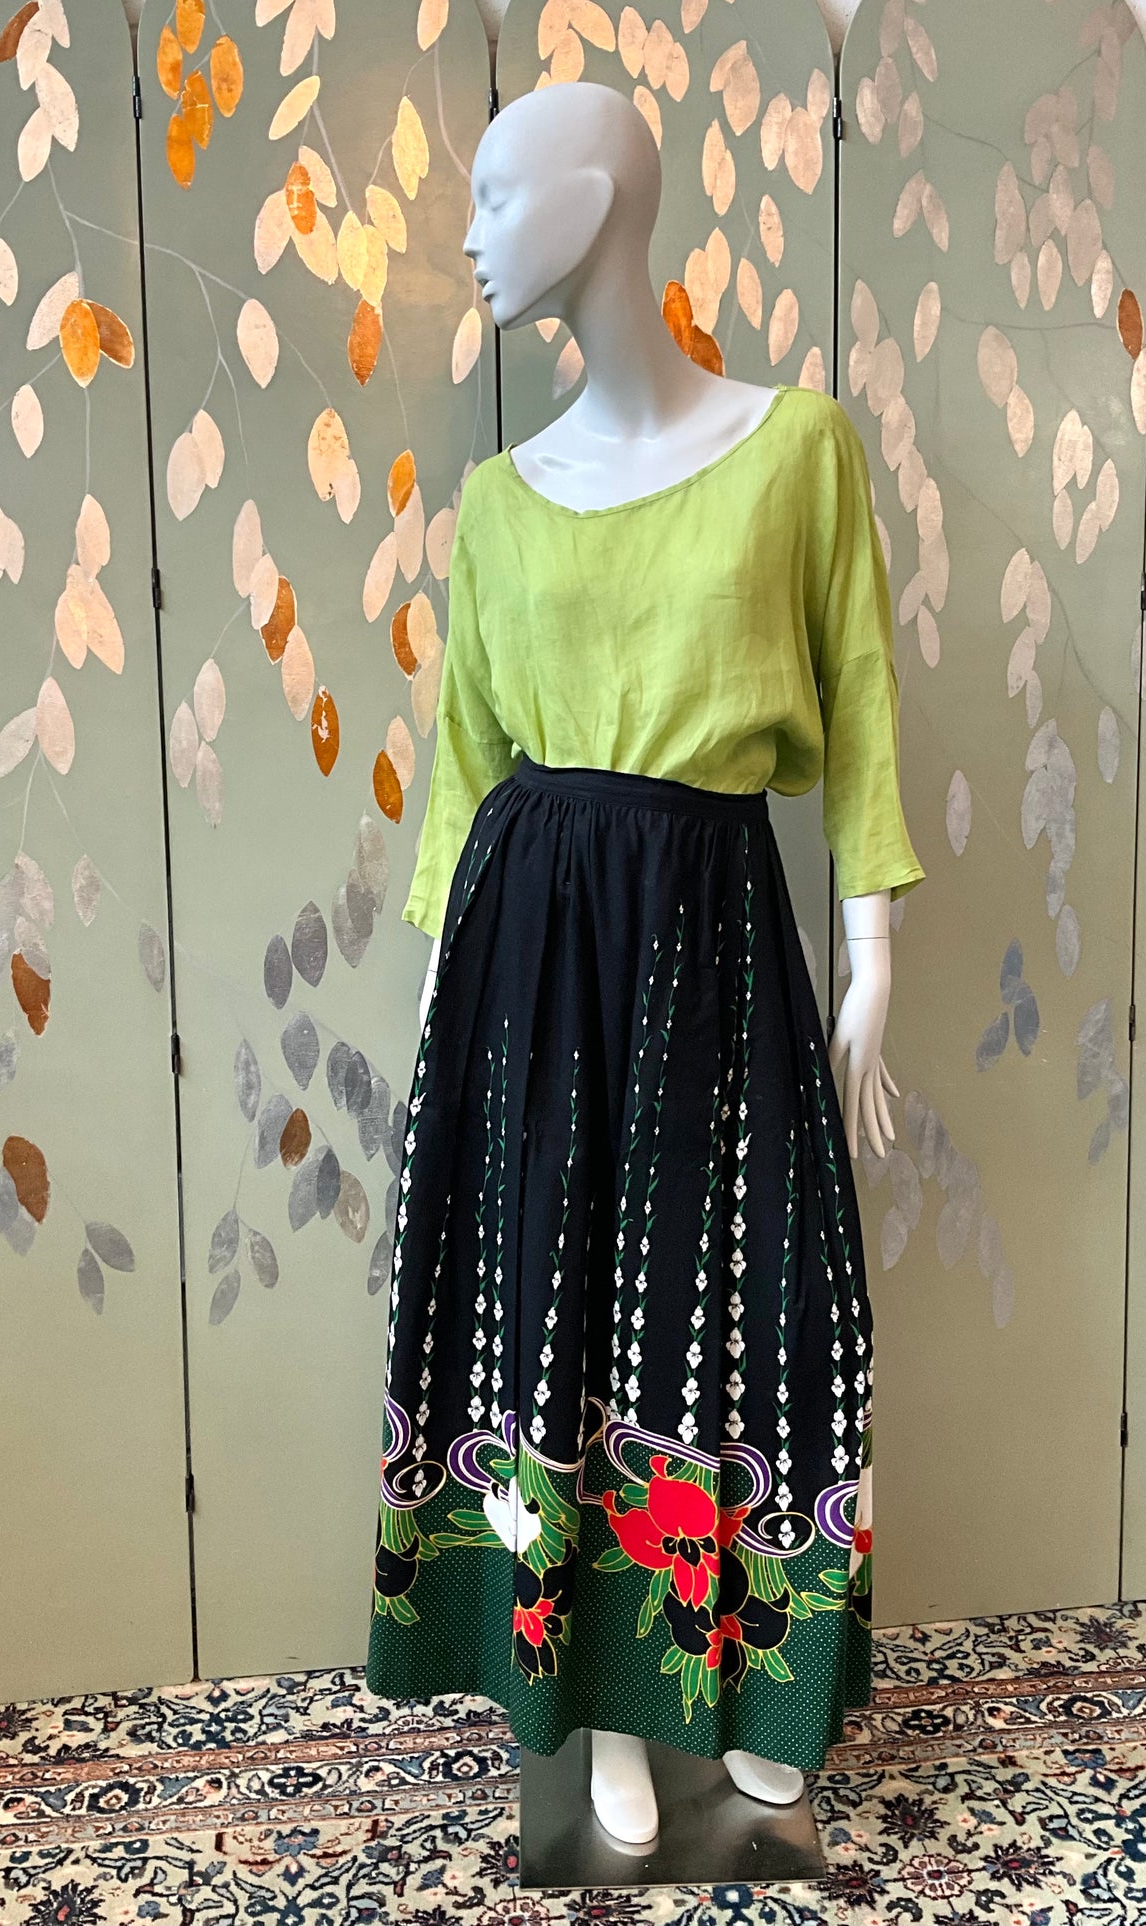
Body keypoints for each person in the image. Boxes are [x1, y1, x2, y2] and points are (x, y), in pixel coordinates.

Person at [365, 79, 924, 1848]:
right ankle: (588, 1691)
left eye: (496, 191)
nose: (465, 235)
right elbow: (465, 767)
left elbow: (857, 712)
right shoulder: (496, 504)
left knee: (743, 1311)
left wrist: (872, 951)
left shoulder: (796, 450)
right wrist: (439, 1012)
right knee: (557, 1325)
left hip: (710, 930)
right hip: (530, 957)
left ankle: (750, 1673)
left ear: (601, 197)